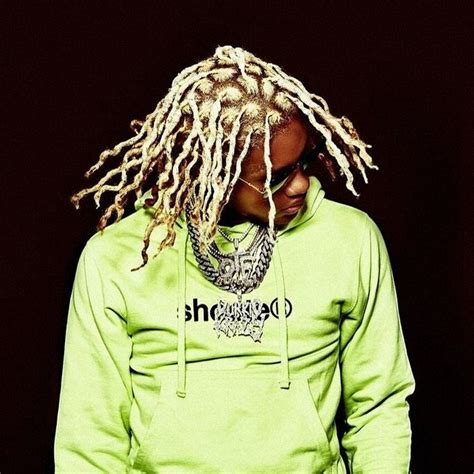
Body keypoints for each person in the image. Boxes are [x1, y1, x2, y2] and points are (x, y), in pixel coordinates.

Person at [54, 45, 416, 473]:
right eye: (276, 176)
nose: (301, 185)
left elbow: (379, 406)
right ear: (213, 173)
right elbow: (90, 435)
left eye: (303, 163)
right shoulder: (119, 257)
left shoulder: (349, 240)